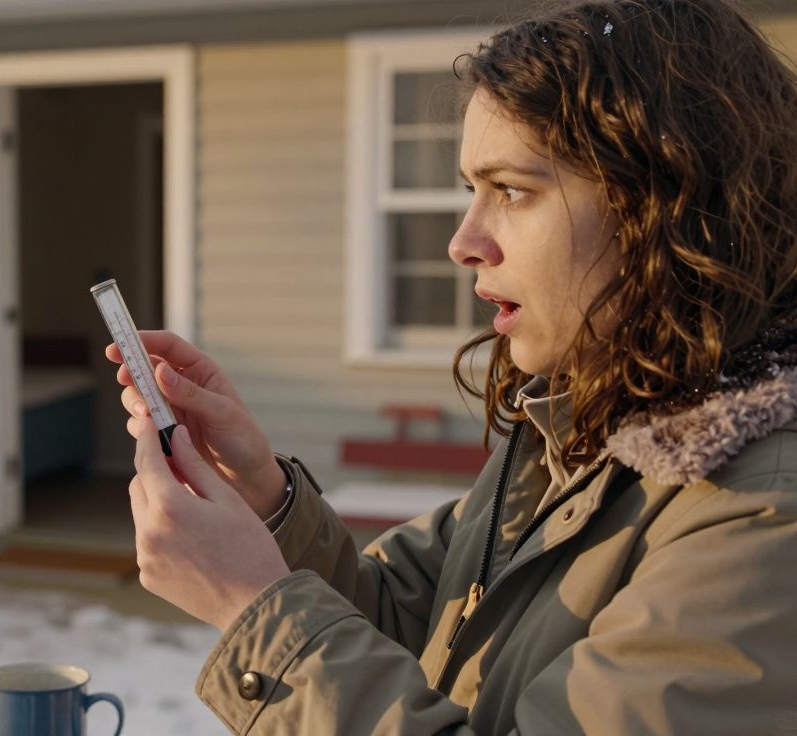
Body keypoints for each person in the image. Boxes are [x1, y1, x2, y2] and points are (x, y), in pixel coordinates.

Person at [105, 0, 797, 732]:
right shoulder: (576, 429)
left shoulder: (757, 513)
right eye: (473, 190)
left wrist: (253, 606)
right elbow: (410, 621)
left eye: (513, 190)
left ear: (666, 204)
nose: (463, 241)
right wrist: (264, 495)